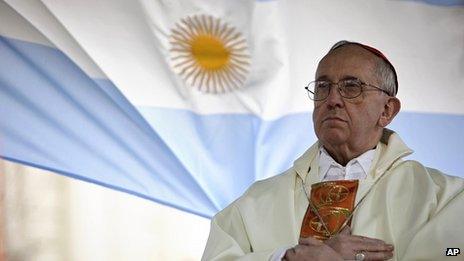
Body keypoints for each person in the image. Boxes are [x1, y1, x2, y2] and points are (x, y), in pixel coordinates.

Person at [202, 41, 464, 260]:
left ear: (387, 111)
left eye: (352, 87)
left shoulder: (445, 198)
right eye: (323, 87)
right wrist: (287, 257)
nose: (332, 100)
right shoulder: (257, 202)